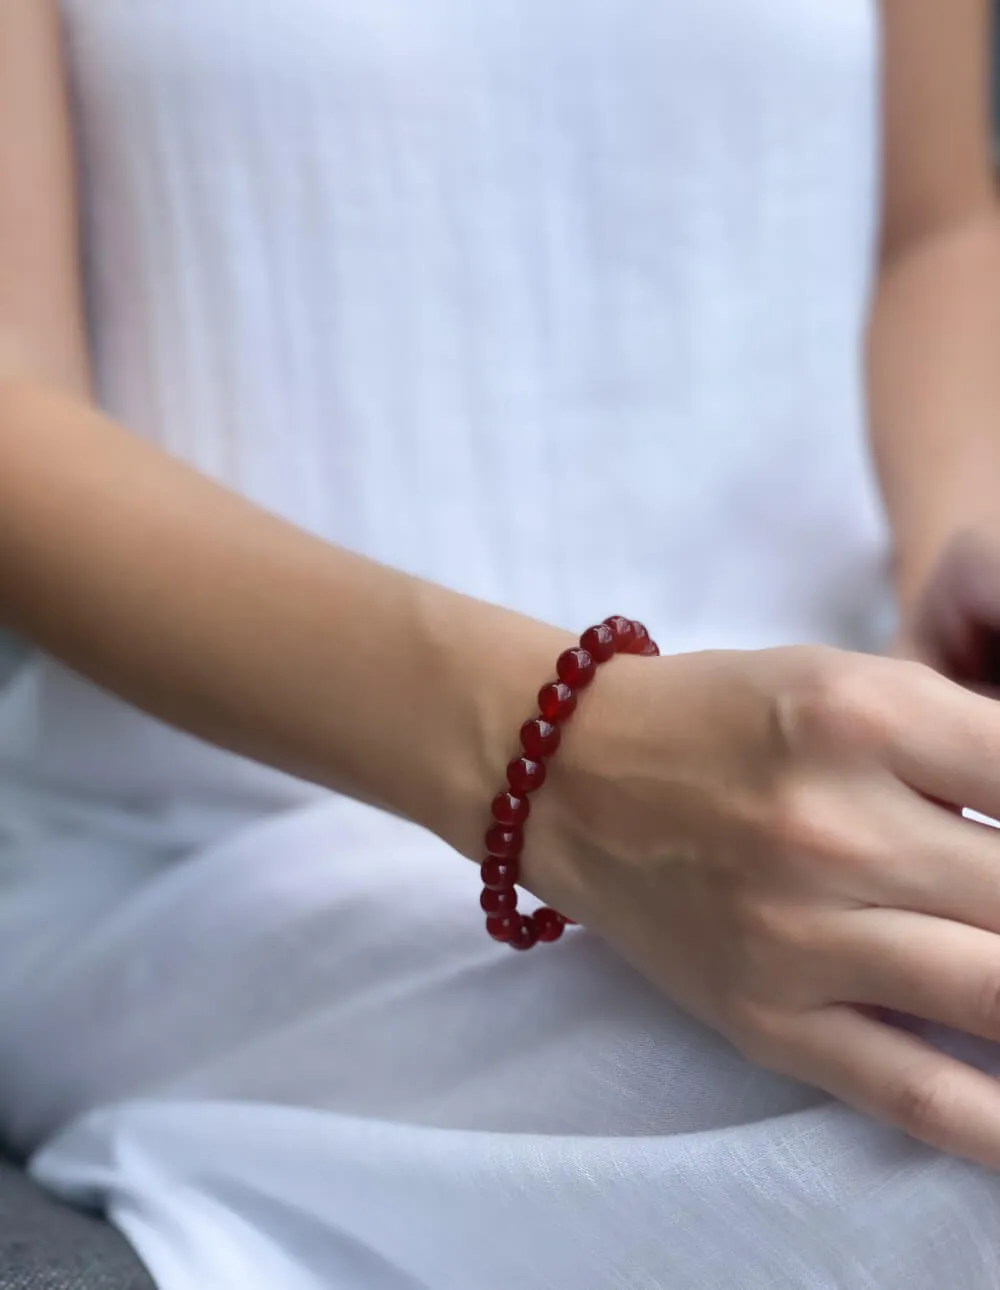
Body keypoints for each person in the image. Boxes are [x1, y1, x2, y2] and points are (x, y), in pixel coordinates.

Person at [2, 0, 1000, 1285]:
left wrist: (960, 547)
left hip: (844, 782)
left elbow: (932, 228)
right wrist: (574, 765)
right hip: (229, 838)